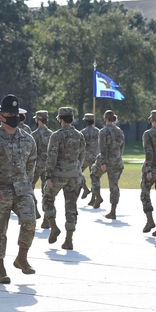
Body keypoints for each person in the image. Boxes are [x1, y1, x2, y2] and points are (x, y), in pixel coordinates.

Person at [0, 94, 37, 284]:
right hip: (0, 190)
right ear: (0, 116)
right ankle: (0, 269)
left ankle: (21, 258)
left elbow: (31, 166)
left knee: (30, 221)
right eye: (9, 113)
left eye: (15, 113)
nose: (13, 117)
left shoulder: (28, 139)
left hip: (22, 189)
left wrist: (30, 189)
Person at [42, 107, 85, 250]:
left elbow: (51, 157)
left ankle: (53, 226)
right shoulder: (79, 135)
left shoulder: (56, 136)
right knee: (71, 206)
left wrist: (48, 175)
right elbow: (82, 156)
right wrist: (77, 169)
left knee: (47, 198)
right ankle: (69, 240)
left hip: (58, 175)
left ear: (60, 119)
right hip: (74, 175)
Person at [98, 109, 126, 220]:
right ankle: (113, 210)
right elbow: (122, 147)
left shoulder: (103, 131)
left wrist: (103, 162)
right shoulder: (119, 131)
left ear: (105, 119)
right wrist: (118, 157)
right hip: (118, 161)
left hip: (108, 162)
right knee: (114, 186)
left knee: (94, 175)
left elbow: (103, 148)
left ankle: (97, 197)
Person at [31, 110, 52, 225]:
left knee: (29, 188)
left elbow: (31, 152)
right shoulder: (52, 134)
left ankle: (35, 208)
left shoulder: (34, 135)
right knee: (47, 193)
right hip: (48, 166)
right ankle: (46, 218)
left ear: (38, 120)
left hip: (35, 165)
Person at [80, 113, 101, 207]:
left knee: (78, 173)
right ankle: (93, 198)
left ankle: (85, 188)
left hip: (86, 156)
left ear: (85, 121)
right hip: (96, 156)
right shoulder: (99, 131)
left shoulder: (83, 132)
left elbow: (81, 145)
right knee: (94, 177)